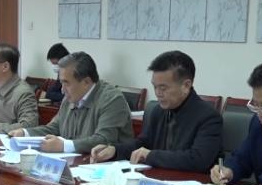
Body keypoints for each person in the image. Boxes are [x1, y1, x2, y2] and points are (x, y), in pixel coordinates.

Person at [91, 50, 221, 172]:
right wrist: (114, 150)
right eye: (155, 87)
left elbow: (198, 159)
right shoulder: (158, 111)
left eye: (163, 88)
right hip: (157, 178)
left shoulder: (208, 117)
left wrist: (151, 155)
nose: (158, 93)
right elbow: (142, 143)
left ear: (186, 86)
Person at [8, 51, 131, 154]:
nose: (62, 90)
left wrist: (64, 146)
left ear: (86, 82)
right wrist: (25, 133)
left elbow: (104, 140)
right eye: (61, 83)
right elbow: (54, 128)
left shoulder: (112, 99)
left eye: (66, 83)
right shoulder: (70, 97)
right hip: (76, 163)